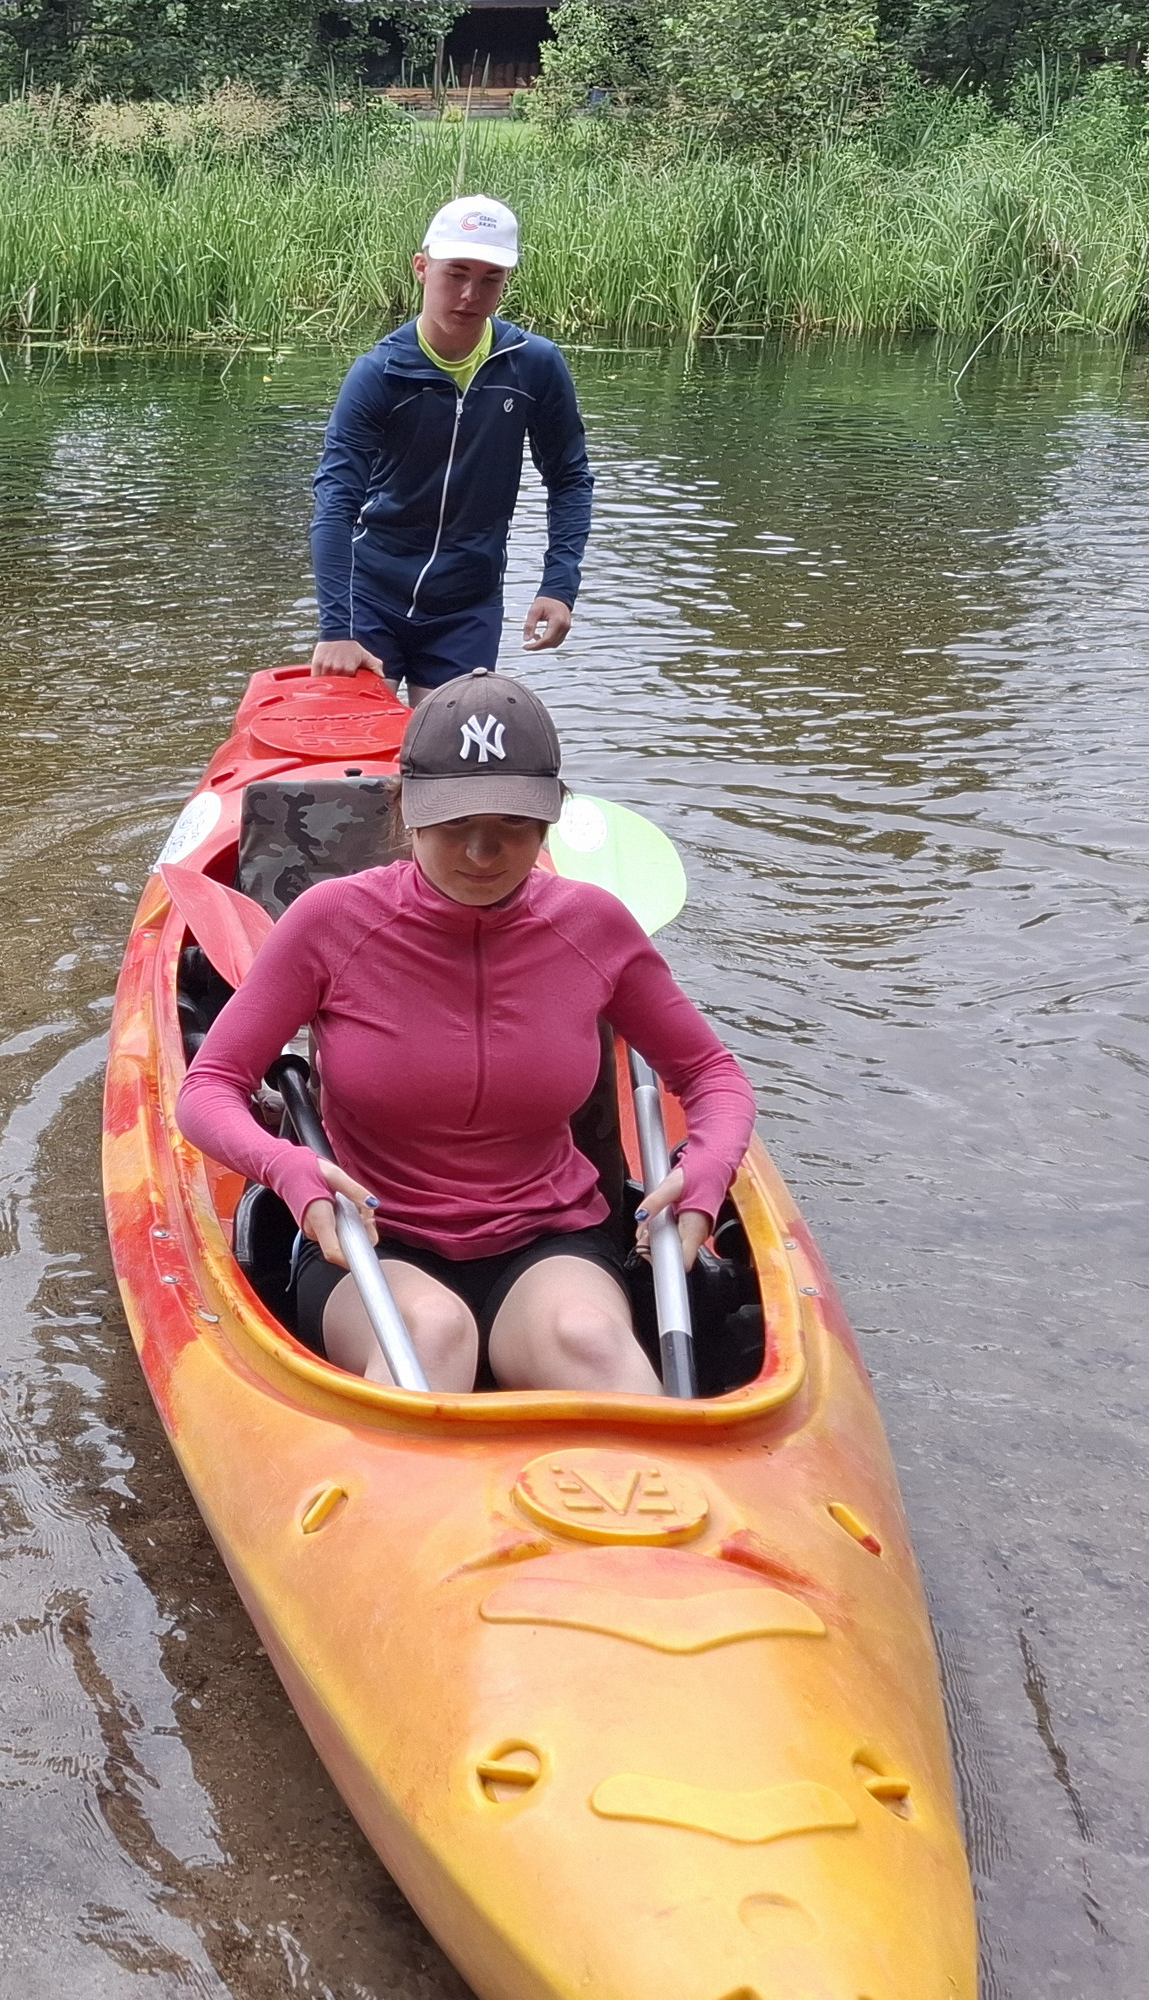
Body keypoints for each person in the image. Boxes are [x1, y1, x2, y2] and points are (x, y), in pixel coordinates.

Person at [175, 675, 753, 1395]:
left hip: (551, 1240)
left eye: (513, 822)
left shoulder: (596, 926)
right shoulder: (329, 921)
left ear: (550, 816)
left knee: (590, 1339)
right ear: (407, 809)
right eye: (455, 823)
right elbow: (208, 1089)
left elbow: (712, 1076)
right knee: (433, 1336)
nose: (483, 852)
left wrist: (707, 1170)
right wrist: (283, 1166)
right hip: (373, 1239)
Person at [308, 196, 594, 693]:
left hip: (468, 607)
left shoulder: (534, 365)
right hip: (370, 597)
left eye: (490, 280)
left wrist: (559, 584)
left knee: (447, 743)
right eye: (456, 273)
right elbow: (335, 502)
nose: (469, 295)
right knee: (361, 744)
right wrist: (336, 628)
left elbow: (569, 479)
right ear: (422, 268)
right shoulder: (378, 373)